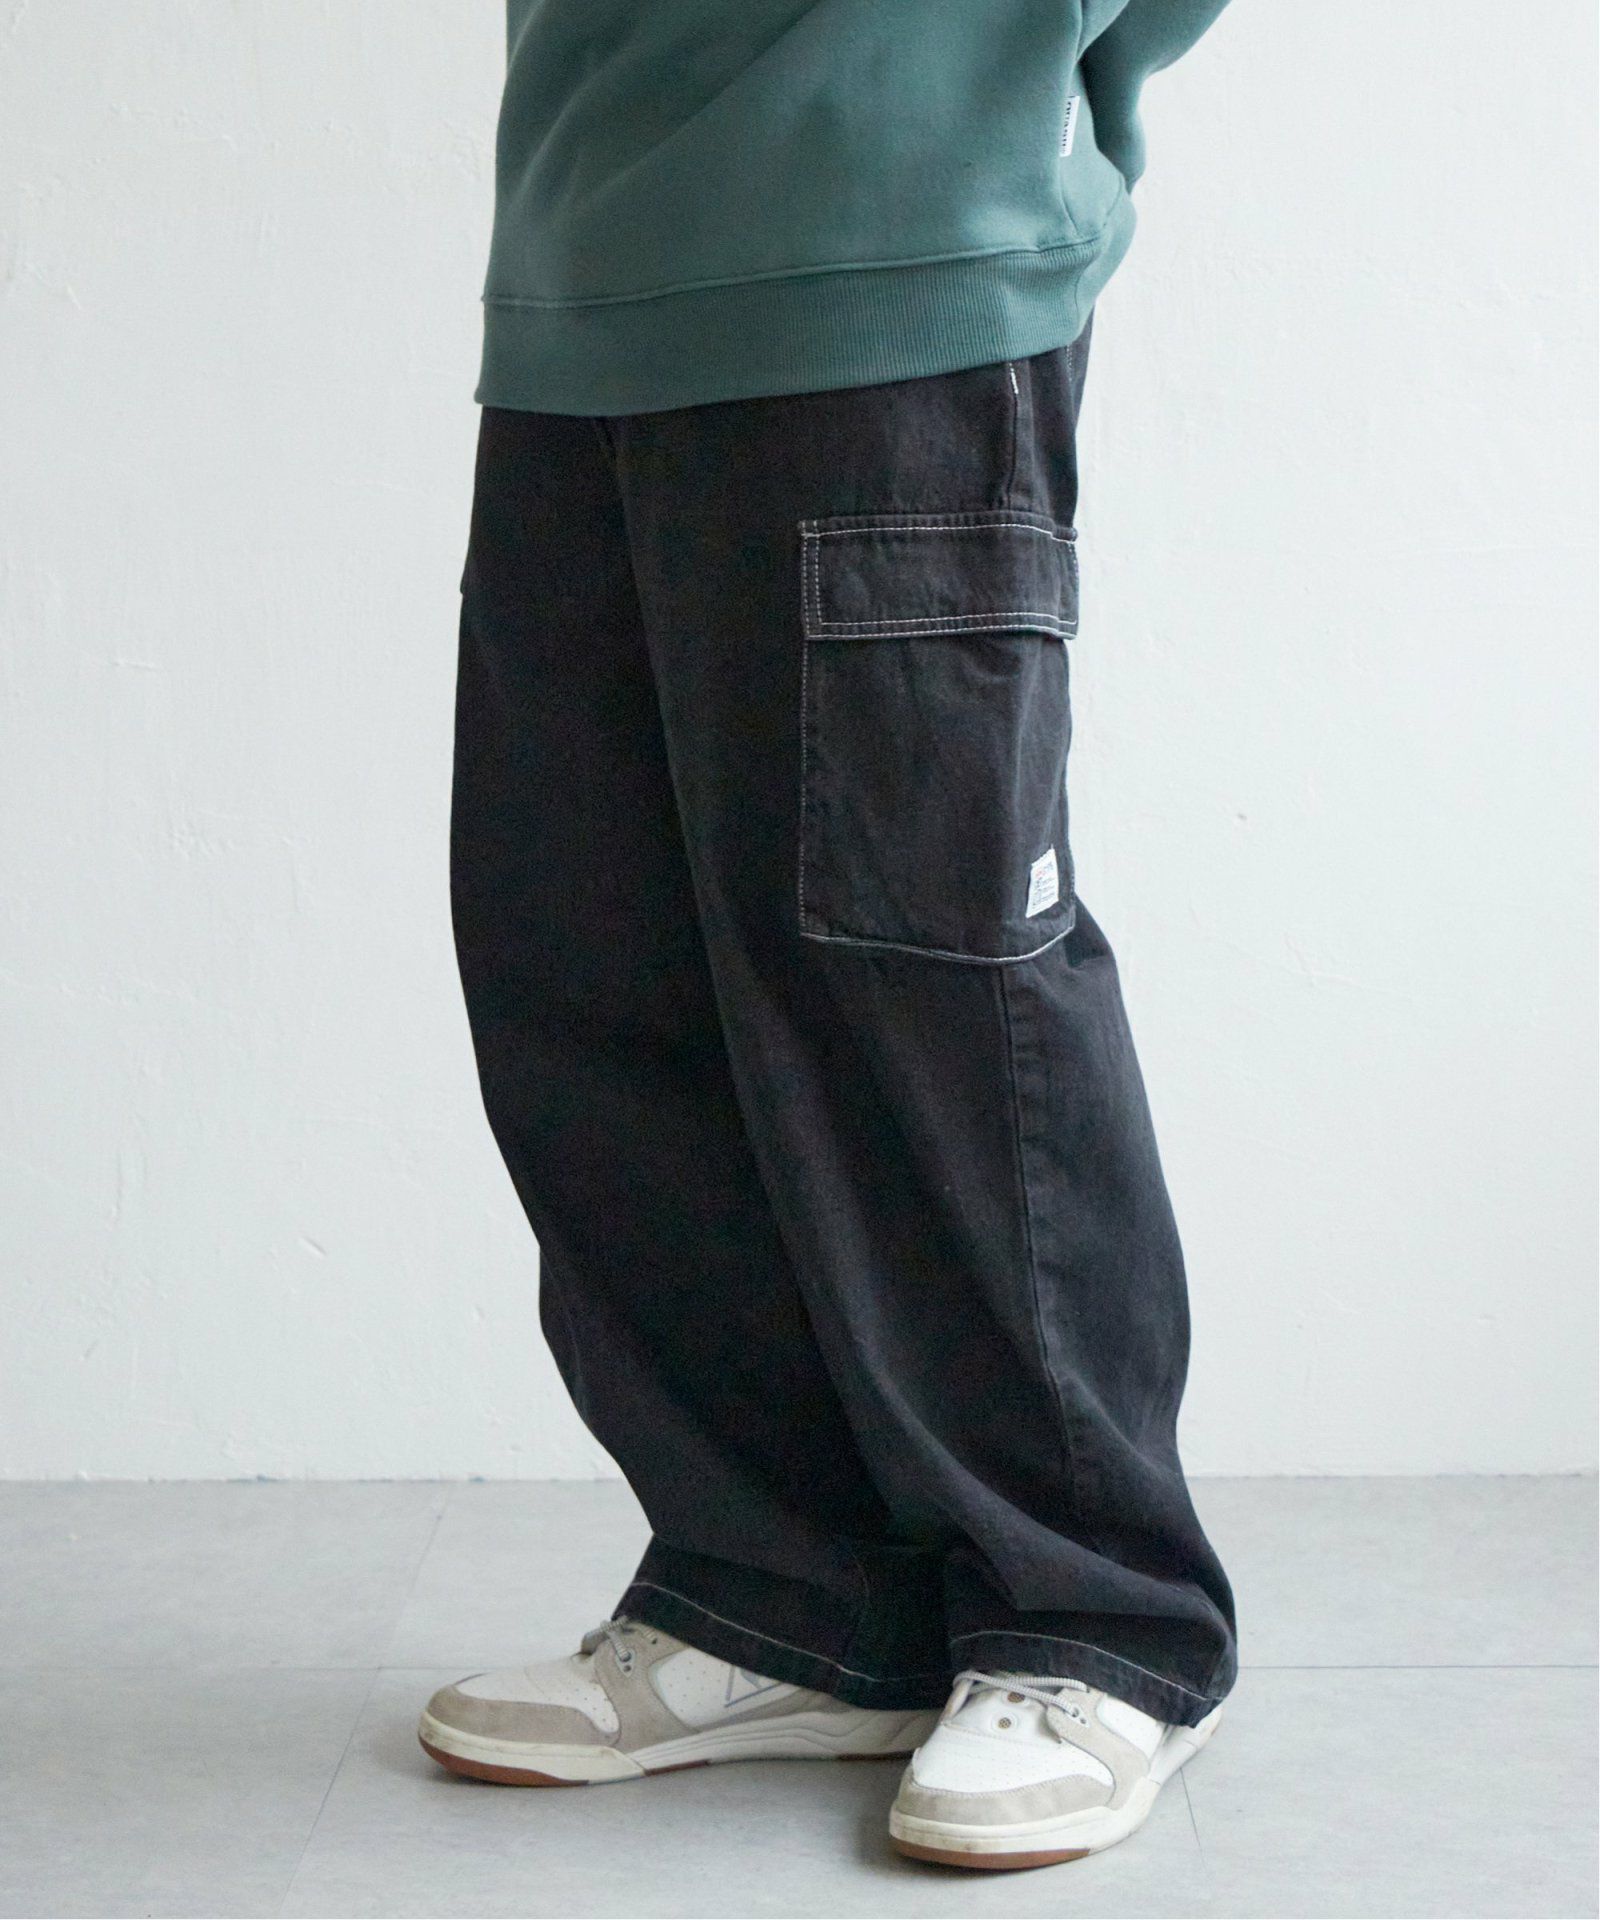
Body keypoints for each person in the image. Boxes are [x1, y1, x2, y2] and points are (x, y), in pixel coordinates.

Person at [419, 0, 1238, 1871]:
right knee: (595, 965)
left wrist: (986, 97)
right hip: (581, 270)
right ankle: (784, 1592)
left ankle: (1095, 1615)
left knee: (927, 978)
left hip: (899, 239)